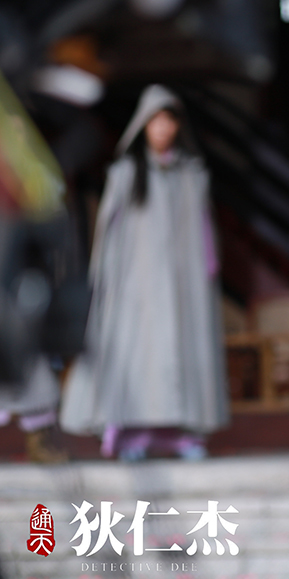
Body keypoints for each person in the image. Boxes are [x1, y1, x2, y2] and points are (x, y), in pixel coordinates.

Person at [60, 84, 228, 460]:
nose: (163, 128)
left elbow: (203, 237)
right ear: (143, 125)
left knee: (180, 350)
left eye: (170, 120)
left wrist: (204, 276)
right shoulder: (125, 174)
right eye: (156, 120)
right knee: (135, 354)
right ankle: (131, 430)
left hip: (181, 285)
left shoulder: (191, 174)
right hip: (136, 286)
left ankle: (184, 433)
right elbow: (109, 237)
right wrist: (108, 281)